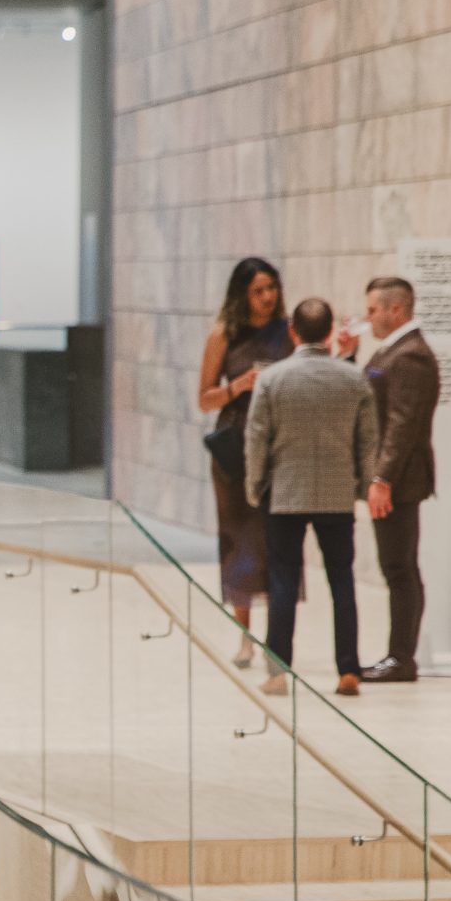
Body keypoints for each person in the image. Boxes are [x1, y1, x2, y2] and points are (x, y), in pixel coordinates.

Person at [244, 297, 379, 699]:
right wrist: (360, 484)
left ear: (293, 331)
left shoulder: (272, 379)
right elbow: (367, 440)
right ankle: (348, 669)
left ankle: (278, 670)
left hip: (285, 493)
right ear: (328, 331)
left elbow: (256, 440)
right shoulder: (353, 380)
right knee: (342, 580)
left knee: (283, 578)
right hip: (337, 494)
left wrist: (255, 487)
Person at [342, 275, 439, 683]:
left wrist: (382, 478)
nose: (368, 317)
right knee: (394, 566)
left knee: (400, 569)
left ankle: (402, 658)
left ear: (395, 309)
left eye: (373, 309)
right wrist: (348, 357)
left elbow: (401, 425)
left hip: (400, 483)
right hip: (390, 481)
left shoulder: (410, 355)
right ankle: (398, 656)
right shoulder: (393, 351)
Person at [198, 257, 289, 669]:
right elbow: (204, 398)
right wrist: (238, 385)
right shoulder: (224, 335)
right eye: (258, 291)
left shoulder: (287, 332)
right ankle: (245, 636)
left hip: (279, 445)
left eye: (271, 288)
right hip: (236, 447)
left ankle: (277, 636)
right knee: (239, 539)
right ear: (242, 295)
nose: (267, 297)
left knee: (277, 541)